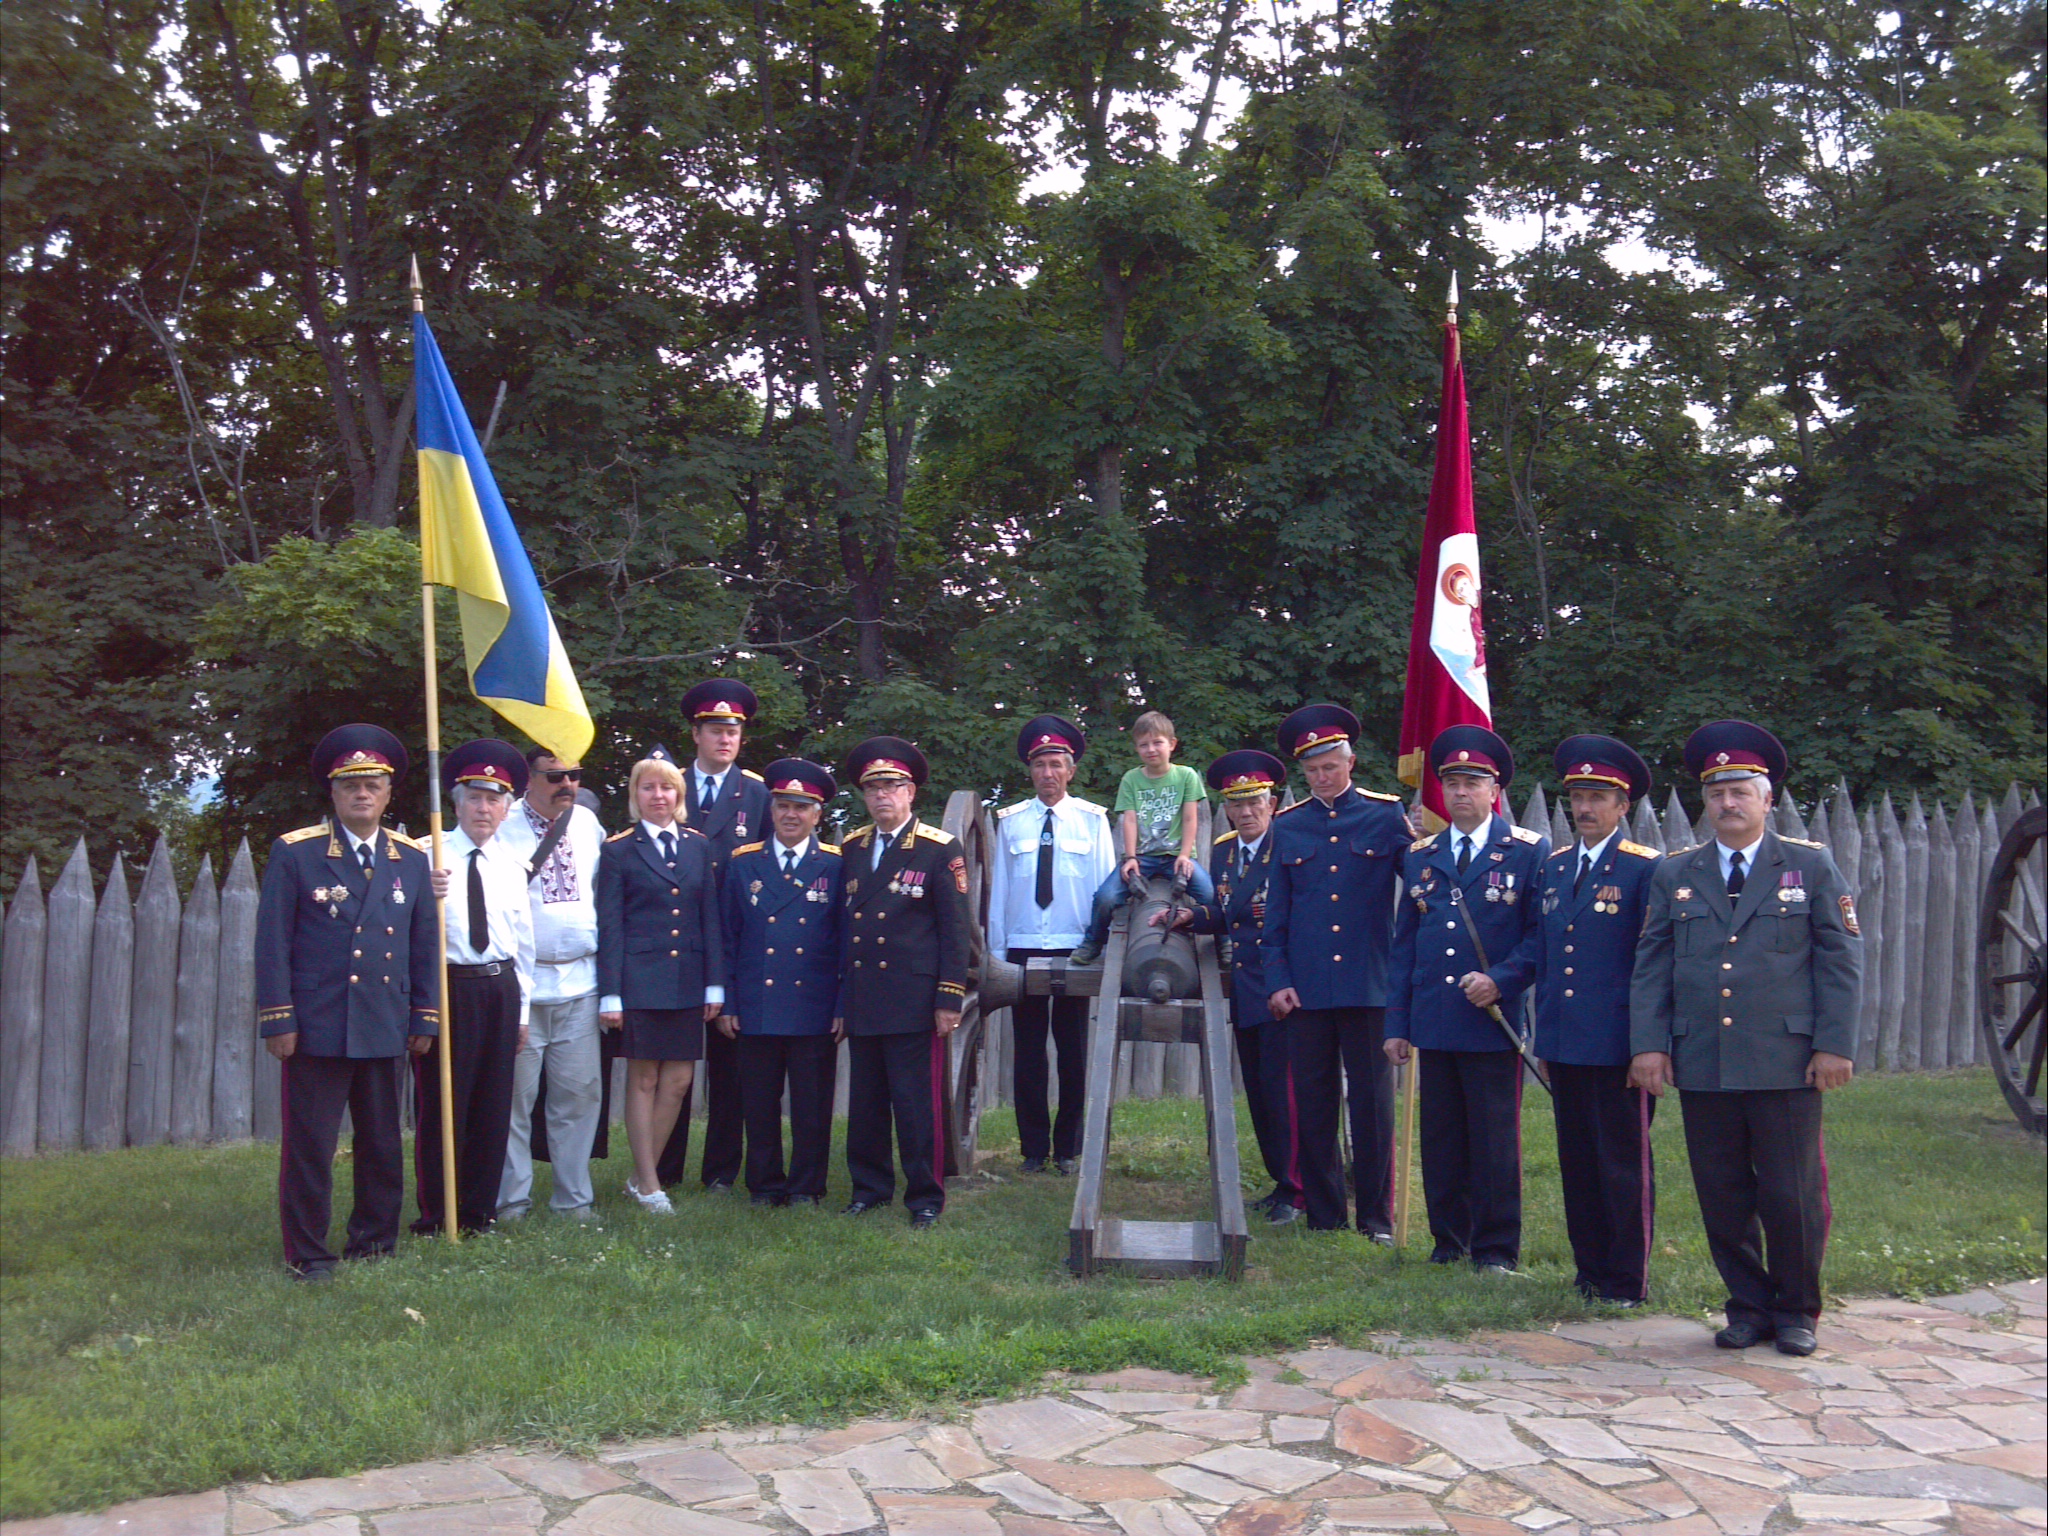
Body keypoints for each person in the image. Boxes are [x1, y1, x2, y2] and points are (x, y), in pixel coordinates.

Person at [1630, 720, 1861, 1357]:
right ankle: (1748, 1306)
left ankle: (1797, 1310)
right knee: (1723, 1194)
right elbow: (1652, 963)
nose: (1728, 804)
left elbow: (1841, 961)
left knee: (1791, 1194)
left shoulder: (1809, 866)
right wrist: (1649, 1044)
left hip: (1785, 1059)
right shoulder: (1677, 872)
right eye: (1717, 793)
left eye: (1740, 792)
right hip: (1704, 1058)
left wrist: (1835, 1045)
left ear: (1766, 799)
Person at [256, 725, 439, 1280]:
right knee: (310, 1145)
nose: (363, 794)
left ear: (388, 793)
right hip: (318, 1023)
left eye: (373, 785)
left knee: (382, 1141)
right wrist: (278, 1018)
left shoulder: (410, 859)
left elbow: (423, 943)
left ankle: (375, 1241)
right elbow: (272, 942)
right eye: (351, 785)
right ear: (333, 793)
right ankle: (308, 1252)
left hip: (384, 1018)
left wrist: (425, 1013)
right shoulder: (297, 852)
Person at [1384, 726, 1548, 1272]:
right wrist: (1397, 1024)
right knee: (1441, 1137)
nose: (1460, 792)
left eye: (1472, 783)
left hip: (1492, 1019)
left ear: (1494, 791)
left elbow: (1540, 936)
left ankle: (1495, 1248)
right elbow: (1405, 944)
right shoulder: (1421, 855)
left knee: (1494, 1139)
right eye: (1451, 783)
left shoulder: (1526, 852)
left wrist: (1502, 979)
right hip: (1435, 1018)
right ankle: (1448, 1240)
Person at [1260, 704, 1411, 1238]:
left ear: (1350, 762)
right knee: (1314, 1103)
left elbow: (1421, 887)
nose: (1322, 777)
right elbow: (1276, 913)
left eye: (1331, 766)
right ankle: (1324, 1215)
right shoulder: (1289, 825)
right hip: (1306, 989)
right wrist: (1278, 979)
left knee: (1373, 1106)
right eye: (1312, 770)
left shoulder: (1385, 816)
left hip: (1369, 984)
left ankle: (1375, 1217)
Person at [1530, 734, 1662, 1304]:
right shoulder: (1556, 868)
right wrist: (1544, 1035)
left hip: (1617, 1044)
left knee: (1622, 1164)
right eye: (1578, 798)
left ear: (1622, 806)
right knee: (1578, 1161)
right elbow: (1546, 956)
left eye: (1598, 798)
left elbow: (1653, 965)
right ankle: (1589, 1272)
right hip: (1565, 1040)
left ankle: (1627, 1279)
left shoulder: (1644, 869)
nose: (1585, 809)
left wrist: (1647, 1044)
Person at [836, 737, 972, 1228]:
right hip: (864, 995)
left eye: (892, 786)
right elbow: (843, 925)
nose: (882, 796)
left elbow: (956, 929)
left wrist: (949, 996)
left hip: (914, 998)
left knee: (916, 1105)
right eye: (873, 788)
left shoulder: (938, 848)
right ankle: (869, 1189)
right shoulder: (852, 848)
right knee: (866, 1103)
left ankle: (925, 1197)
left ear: (910, 792)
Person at [1168, 749, 1300, 1223]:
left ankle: (1298, 1191)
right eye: (1237, 803)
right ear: (1226, 808)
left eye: (1254, 802)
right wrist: (1193, 917)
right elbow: (1231, 913)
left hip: (1284, 990)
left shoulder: (1289, 847)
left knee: (1286, 1095)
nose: (1246, 812)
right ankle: (1280, 1181)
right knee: (1261, 1093)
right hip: (1246, 989)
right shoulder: (1224, 851)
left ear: (1272, 804)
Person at [598, 746, 726, 1214]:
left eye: (666, 787)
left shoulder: (698, 845)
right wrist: (610, 993)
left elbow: (709, 916)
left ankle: (639, 1176)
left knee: (678, 1081)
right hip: (639, 981)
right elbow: (610, 925)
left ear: (679, 794)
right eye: (648, 787)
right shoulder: (618, 850)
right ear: (635, 795)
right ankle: (651, 1184)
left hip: (688, 979)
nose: (658, 795)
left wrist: (715, 983)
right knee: (645, 1078)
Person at [415, 740, 535, 1237]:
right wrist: (427, 892)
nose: (484, 809)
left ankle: (479, 1212)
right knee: (444, 1105)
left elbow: (523, 946)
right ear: (457, 804)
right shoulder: (426, 856)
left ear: (507, 809)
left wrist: (522, 1012)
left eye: (494, 800)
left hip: (499, 989)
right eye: (474, 798)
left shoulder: (514, 865)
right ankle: (437, 1213)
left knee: (492, 1106)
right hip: (449, 989)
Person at [985, 715, 1115, 1174]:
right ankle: (1034, 1149)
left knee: (1073, 1051)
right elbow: (1000, 891)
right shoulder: (1012, 823)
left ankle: (1069, 1149)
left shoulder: (1093, 821)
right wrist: (997, 954)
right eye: (1040, 765)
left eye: (1056, 764)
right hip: (1023, 947)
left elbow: (1106, 890)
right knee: (1028, 1052)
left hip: (1074, 947)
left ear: (1071, 770)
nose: (1048, 773)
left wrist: (1100, 950)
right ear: (1030, 770)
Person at [661, 679, 772, 1193]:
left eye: (733, 731)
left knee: (731, 1068)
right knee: (673, 1063)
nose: (725, 739)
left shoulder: (759, 794)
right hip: (677, 943)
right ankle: (664, 1169)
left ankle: (721, 1171)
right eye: (714, 730)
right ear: (695, 734)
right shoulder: (667, 785)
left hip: (734, 945)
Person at [720, 759, 844, 1206]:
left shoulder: (835, 865)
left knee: (812, 1105)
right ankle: (764, 1184)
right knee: (758, 1102)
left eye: (802, 807)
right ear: (771, 811)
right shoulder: (743, 863)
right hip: (757, 1002)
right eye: (783, 806)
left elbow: (846, 941)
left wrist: (841, 1006)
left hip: (814, 1004)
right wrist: (729, 1002)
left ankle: (806, 1186)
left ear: (818, 814)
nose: (791, 815)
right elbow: (728, 938)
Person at [494, 744, 605, 1223]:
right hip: (523, 986)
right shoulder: (502, 825)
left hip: (581, 982)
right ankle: (511, 1203)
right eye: (555, 776)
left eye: (574, 774)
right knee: (514, 1101)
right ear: (529, 779)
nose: (568, 784)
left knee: (577, 1097)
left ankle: (574, 1202)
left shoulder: (588, 824)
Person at [1070, 711, 1215, 966]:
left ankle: (1223, 941)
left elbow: (1190, 818)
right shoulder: (1131, 779)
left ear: (1172, 744)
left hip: (1175, 856)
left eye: (1157, 742)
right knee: (1105, 897)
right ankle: (1093, 941)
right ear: (1136, 748)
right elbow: (1130, 820)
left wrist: (1185, 855)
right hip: (1144, 857)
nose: (1151, 749)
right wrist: (1131, 858)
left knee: (1209, 893)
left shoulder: (1186, 776)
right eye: (1143, 744)